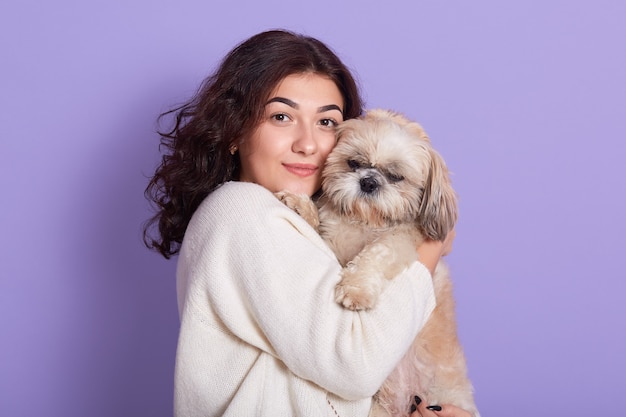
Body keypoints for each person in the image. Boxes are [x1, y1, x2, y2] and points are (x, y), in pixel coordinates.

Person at [143, 29, 471, 417]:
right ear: (234, 131)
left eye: (327, 122)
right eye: (281, 116)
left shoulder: (295, 221)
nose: (308, 144)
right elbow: (355, 366)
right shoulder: (243, 211)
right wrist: (429, 247)